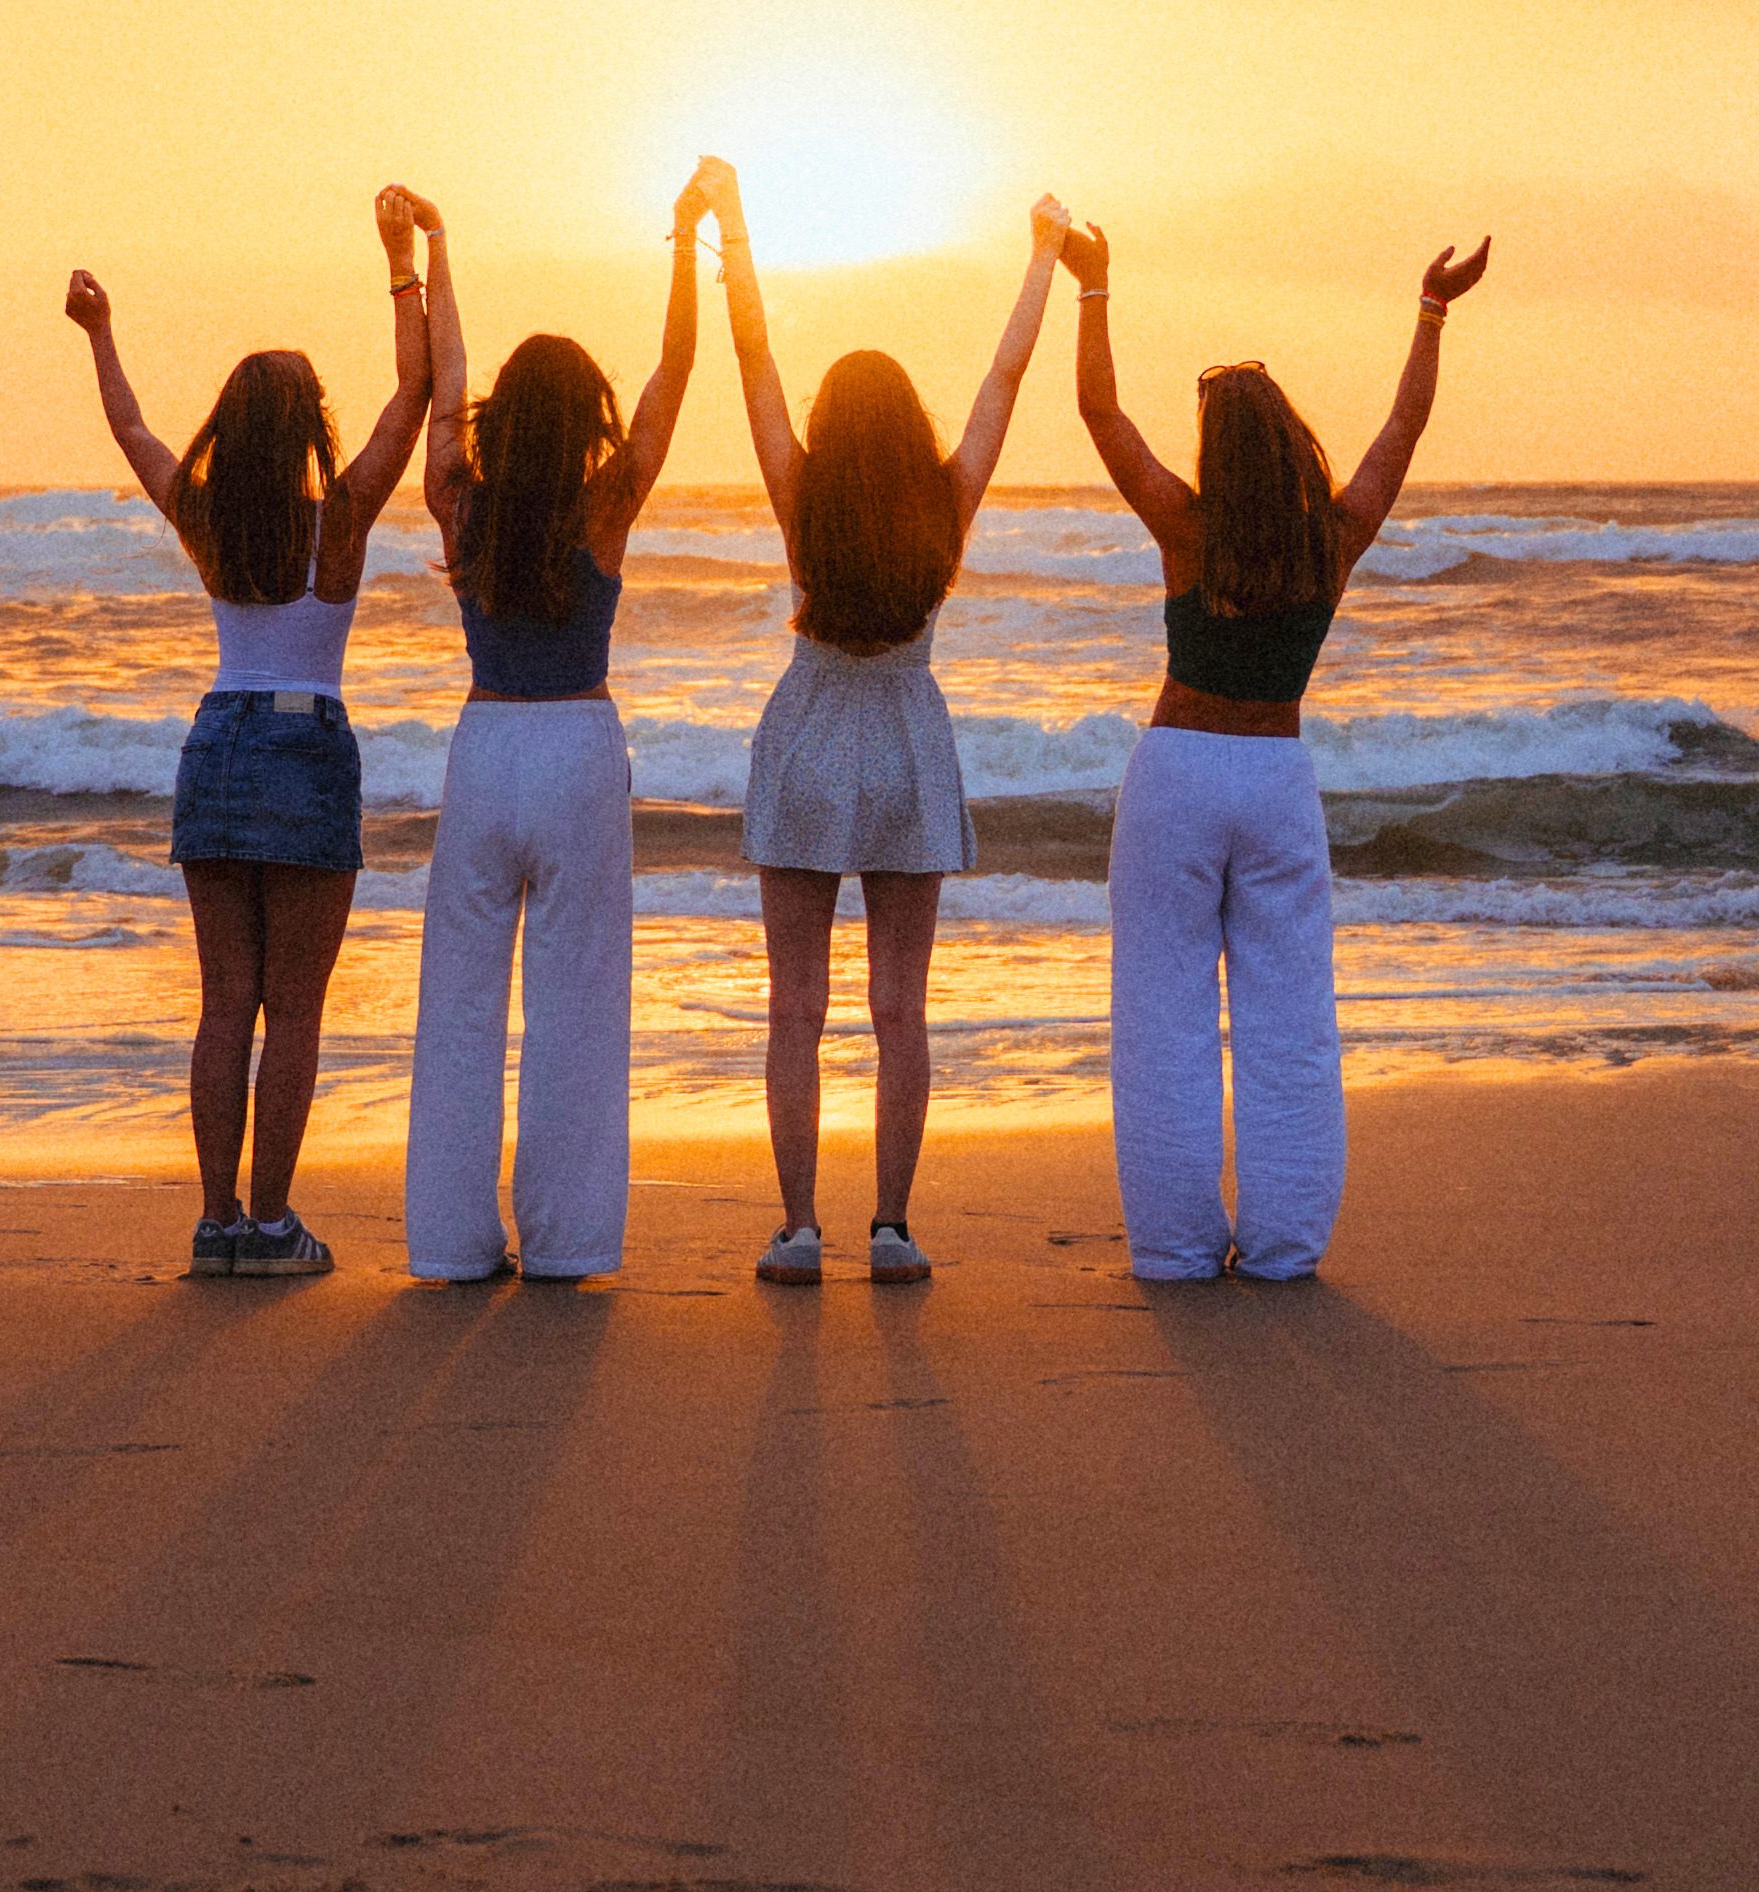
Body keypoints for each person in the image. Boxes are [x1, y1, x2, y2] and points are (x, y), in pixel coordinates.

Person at [1060, 217, 1490, 1283]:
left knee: (1161, 1014)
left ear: (1215, 450)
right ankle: (1287, 1246)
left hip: (1176, 774)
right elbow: (1403, 427)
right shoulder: (1332, 537)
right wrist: (1432, 312)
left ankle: (1172, 1248)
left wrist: (1096, 287)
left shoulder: (1184, 528)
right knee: (1289, 1020)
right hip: (1276, 778)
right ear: (1289, 442)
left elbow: (1100, 412)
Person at [707, 177, 1069, 1283]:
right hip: (909, 737)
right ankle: (895, 1227)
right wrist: (1044, 255)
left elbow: (756, 368)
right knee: (900, 1007)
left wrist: (738, 235)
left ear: (830, 425)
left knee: (798, 1007)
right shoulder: (942, 500)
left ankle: (799, 1227)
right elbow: (1005, 377)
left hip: (812, 733)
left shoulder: (802, 494)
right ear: (909, 427)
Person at [68, 196, 438, 1277]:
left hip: (220, 741)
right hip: (308, 744)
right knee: (295, 1006)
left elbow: (133, 430)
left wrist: (101, 334)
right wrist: (399, 263)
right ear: (313, 428)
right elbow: (414, 392)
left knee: (225, 996)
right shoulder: (346, 516)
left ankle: (218, 1218)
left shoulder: (206, 516)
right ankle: (273, 1223)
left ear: (233, 423)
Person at [399, 176, 704, 1285]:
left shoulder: (459, 498)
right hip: (577, 748)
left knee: (460, 1006)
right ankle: (569, 1241)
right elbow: (672, 381)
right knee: (577, 1003)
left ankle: (446, 1240)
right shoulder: (605, 506)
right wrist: (688, 241)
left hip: (484, 749)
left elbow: (447, 384)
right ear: (586, 420)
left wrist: (432, 247)